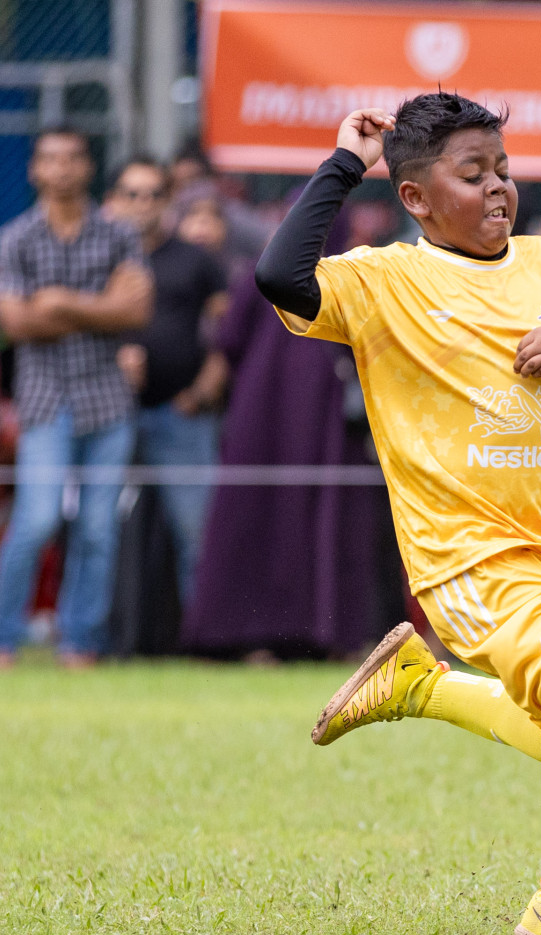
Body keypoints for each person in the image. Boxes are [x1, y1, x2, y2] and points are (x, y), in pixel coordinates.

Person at [254, 95, 541, 935]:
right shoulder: (383, 283)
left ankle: (420, 685)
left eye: (503, 171)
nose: (497, 190)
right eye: (471, 175)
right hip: (465, 556)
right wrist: (344, 164)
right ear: (414, 198)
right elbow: (281, 278)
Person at [180, 198, 400, 661]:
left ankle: (259, 638)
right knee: (322, 526)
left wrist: (201, 397)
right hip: (315, 431)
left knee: (260, 522)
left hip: (270, 426)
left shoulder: (269, 274)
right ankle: (313, 636)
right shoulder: (349, 281)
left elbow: (229, 345)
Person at [0, 127, 152, 669]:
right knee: (35, 521)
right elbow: (14, 322)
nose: (61, 169)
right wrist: (97, 306)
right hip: (43, 400)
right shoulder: (14, 238)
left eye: (72, 158)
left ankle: (81, 641)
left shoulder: (118, 235)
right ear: (34, 169)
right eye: (50, 159)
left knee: (99, 529)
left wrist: (56, 302)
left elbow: (135, 311)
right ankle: (1, 639)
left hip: (107, 401)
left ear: (87, 166)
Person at [104, 156, 230, 602]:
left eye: (153, 194)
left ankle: (203, 640)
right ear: (113, 200)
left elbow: (225, 336)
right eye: (131, 194)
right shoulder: (97, 255)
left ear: (168, 201)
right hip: (105, 415)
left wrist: (200, 393)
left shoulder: (196, 260)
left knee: (195, 531)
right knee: (101, 531)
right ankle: (95, 641)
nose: (142, 204)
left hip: (181, 414)